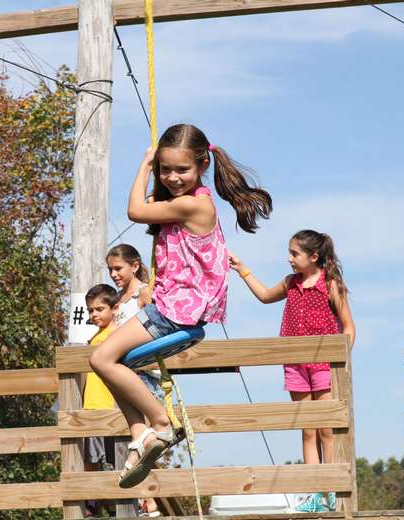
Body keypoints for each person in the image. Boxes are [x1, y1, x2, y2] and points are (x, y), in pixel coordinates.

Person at [90, 123, 272, 489]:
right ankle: (141, 434)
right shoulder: (185, 201)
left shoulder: (192, 204)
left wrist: (144, 164)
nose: (173, 177)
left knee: (100, 359)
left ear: (202, 165)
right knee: (115, 366)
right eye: (165, 169)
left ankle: (159, 423)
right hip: (174, 308)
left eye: (182, 170)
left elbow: (134, 211)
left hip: (174, 313)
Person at [228, 229, 354, 513]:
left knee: (326, 431)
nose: (289, 259)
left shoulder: (330, 284)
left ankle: (330, 489)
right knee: (307, 432)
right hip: (295, 365)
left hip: (324, 365)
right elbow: (263, 296)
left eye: (294, 254)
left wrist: (342, 359)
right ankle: (313, 493)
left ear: (314, 256)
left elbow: (348, 327)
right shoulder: (290, 283)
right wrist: (242, 270)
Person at [106, 244, 161, 516]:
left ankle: (149, 501)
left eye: (118, 268)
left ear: (135, 266)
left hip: (145, 372)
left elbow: (155, 331)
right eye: (110, 270)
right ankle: (144, 499)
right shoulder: (118, 299)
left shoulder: (144, 293)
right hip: (125, 372)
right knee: (139, 433)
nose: (114, 274)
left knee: (149, 432)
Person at [81, 284, 119, 518]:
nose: (94, 314)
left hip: (111, 405)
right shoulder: (93, 337)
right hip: (91, 404)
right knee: (90, 460)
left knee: (119, 460)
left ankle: (128, 503)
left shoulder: (118, 335)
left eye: (99, 309)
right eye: (90, 310)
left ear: (115, 308)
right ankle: (93, 501)